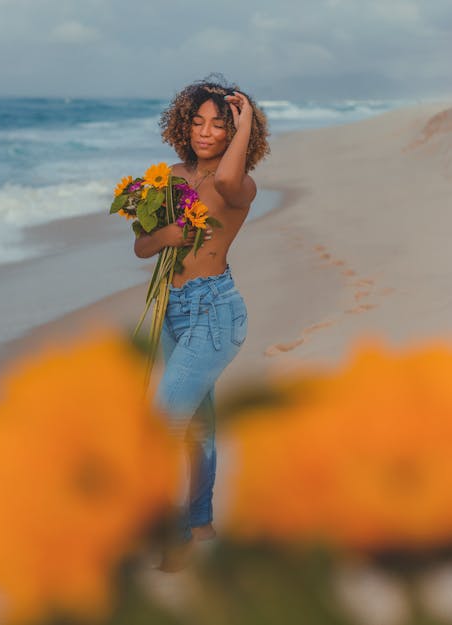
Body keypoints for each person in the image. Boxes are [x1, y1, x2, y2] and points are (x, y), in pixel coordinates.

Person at [133, 77, 270, 568]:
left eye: (220, 123)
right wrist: (167, 232)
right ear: (183, 125)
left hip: (215, 312)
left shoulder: (240, 184)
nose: (206, 131)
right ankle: (201, 524)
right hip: (174, 311)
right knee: (197, 429)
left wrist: (247, 117)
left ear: (235, 132)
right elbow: (142, 246)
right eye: (197, 121)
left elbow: (230, 183)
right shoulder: (170, 176)